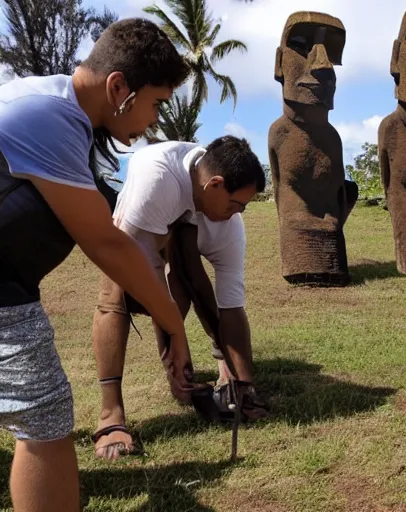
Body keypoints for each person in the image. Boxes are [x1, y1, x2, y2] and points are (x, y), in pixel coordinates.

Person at [0, 18, 191, 512]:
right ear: (118, 87)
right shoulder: (51, 117)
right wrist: (173, 323)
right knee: (43, 418)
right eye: (155, 105)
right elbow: (106, 243)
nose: (153, 121)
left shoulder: (54, 108)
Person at [91, 136, 269, 460]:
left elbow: (230, 306)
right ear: (214, 185)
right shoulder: (158, 181)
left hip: (180, 215)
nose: (236, 214)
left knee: (186, 287)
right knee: (113, 296)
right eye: (234, 205)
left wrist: (244, 384)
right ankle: (110, 415)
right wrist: (176, 347)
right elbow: (152, 281)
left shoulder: (227, 227)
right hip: (133, 218)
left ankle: (219, 376)